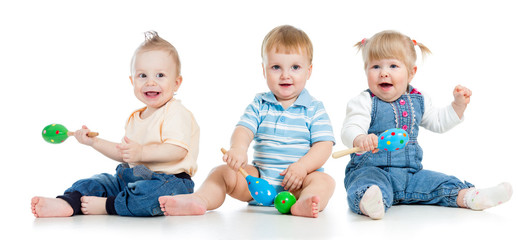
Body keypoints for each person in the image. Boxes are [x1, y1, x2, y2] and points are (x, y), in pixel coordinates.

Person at [159, 25, 335, 218]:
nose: (285, 75)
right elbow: (244, 129)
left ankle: (303, 203)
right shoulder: (260, 104)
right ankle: (200, 200)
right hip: (258, 181)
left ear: (308, 71)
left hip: (299, 184)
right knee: (221, 173)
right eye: (276, 67)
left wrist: (303, 167)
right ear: (264, 70)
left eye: (295, 67)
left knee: (324, 181)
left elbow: (324, 145)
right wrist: (238, 149)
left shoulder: (314, 108)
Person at [341, 30, 512, 220]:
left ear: (411, 72)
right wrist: (360, 138)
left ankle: (472, 197)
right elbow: (350, 127)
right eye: (375, 66)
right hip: (373, 171)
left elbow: (438, 122)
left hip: (411, 175)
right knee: (366, 184)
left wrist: (457, 106)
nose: (384, 73)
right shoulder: (364, 101)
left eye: (393, 65)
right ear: (366, 70)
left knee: (439, 182)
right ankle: (371, 202)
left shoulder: (419, 100)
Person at [31, 31, 200, 217]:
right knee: (98, 182)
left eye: (160, 75)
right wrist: (94, 142)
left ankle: (108, 206)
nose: (150, 82)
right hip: (131, 176)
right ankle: (69, 203)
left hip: (169, 181)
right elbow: (124, 154)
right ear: (132, 80)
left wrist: (142, 152)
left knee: (152, 196)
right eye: (142, 75)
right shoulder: (135, 118)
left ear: (176, 83)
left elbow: (177, 150)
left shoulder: (175, 112)